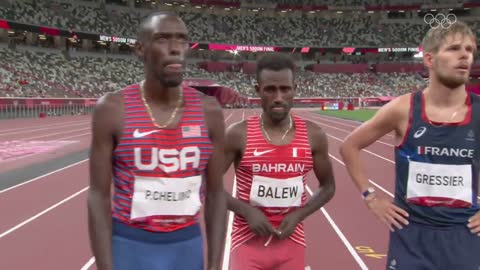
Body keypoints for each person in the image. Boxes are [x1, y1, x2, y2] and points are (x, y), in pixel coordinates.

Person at [87, 12, 227, 270]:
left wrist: (216, 266)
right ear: (141, 49)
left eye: (182, 40)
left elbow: (217, 194)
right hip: (130, 247)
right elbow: (97, 195)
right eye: (162, 39)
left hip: (187, 248)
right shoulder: (113, 109)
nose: (175, 49)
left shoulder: (209, 111)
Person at [340, 21, 480, 270]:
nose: (465, 56)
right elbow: (349, 146)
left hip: (465, 236)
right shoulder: (403, 108)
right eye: (454, 48)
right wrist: (370, 197)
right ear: (429, 59)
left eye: (470, 49)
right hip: (411, 237)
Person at [224, 53, 336, 270]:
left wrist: (299, 214)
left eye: (285, 89)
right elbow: (210, 184)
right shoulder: (238, 135)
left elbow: (328, 187)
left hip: (291, 243)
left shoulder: (314, 135)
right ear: (258, 90)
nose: (278, 97)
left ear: (294, 89)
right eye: (270, 89)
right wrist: (246, 211)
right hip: (246, 243)